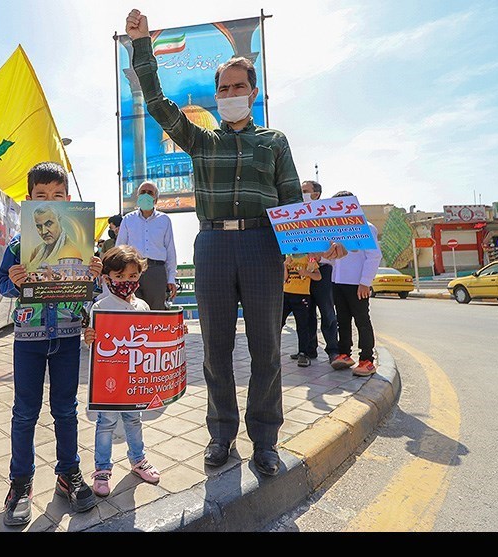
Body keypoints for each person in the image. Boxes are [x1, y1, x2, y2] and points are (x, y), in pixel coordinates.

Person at [124, 9, 346, 475]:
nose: (229, 95)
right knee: (216, 347)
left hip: (263, 247)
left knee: (266, 347)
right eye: (222, 89)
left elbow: (290, 203)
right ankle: (220, 435)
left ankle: (265, 440)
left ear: (254, 91)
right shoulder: (201, 141)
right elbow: (158, 102)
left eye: (237, 87)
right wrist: (142, 46)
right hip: (213, 249)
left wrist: (318, 246)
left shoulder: (274, 141)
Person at [0, 161, 101, 527]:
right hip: (28, 339)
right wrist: (13, 278)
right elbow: (2, 287)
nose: (49, 204)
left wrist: (95, 276)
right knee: (25, 412)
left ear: (68, 203)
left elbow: (94, 293)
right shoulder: (16, 246)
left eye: (57, 197)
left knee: (66, 410)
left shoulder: (83, 247)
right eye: (41, 197)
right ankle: (20, 483)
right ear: (29, 202)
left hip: (69, 336)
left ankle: (68, 473)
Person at [83, 245, 161, 497]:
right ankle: (102, 469)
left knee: (133, 419)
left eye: (132, 276)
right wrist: (89, 336)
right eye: (120, 277)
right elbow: (91, 342)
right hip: (108, 381)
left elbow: (150, 340)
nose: (126, 282)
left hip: (133, 379)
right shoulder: (100, 306)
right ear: (107, 279)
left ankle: (138, 460)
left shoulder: (143, 307)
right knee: (105, 423)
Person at [329, 191, 382, 377]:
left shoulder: (366, 228)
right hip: (338, 282)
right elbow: (334, 259)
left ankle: (367, 359)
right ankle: (345, 354)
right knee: (342, 320)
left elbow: (374, 257)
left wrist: (365, 282)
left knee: (362, 321)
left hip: (357, 284)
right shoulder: (335, 230)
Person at [115, 182, 177, 311]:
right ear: (137, 196)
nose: (146, 195)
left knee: (156, 311)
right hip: (131, 270)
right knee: (131, 309)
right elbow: (119, 248)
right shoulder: (128, 219)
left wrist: (171, 278)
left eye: (150, 193)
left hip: (156, 271)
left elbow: (170, 251)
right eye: (142, 192)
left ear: (156, 199)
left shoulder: (164, 220)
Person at [299, 180, 339, 363]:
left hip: (322, 270)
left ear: (317, 195)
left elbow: (336, 248)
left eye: (305, 191)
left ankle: (333, 351)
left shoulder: (328, 219)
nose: (302, 194)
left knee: (327, 312)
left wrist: (319, 255)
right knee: (306, 313)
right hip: (303, 272)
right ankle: (308, 351)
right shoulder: (297, 217)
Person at [282, 254, 322, 368]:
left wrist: (307, 273)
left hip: (302, 295)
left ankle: (303, 353)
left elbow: (318, 276)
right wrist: (285, 265)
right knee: (279, 322)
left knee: (302, 325)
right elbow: (284, 278)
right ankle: (272, 350)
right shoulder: (289, 258)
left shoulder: (309, 258)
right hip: (287, 294)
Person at [26, 204, 80, 269]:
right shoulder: (36, 251)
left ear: (59, 220)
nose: (44, 231)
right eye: (39, 226)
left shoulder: (72, 249)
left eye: (49, 224)